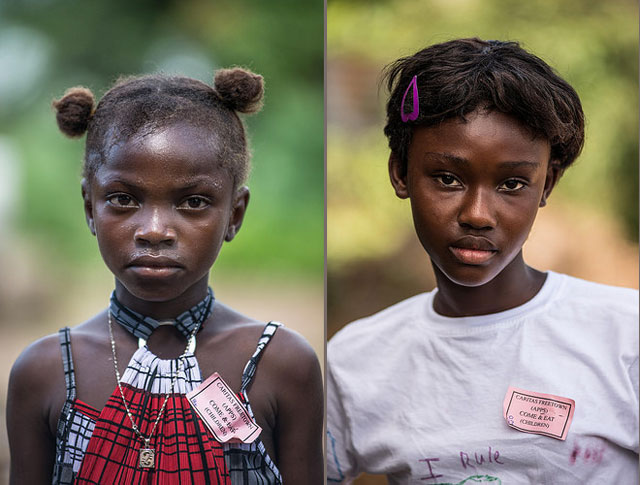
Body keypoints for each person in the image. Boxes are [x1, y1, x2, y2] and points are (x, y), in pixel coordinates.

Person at [327, 38, 638, 484]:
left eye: (512, 184)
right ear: (400, 172)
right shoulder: (356, 360)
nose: (477, 214)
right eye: (448, 178)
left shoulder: (625, 336)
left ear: (546, 184)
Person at [7, 67, 323, 484]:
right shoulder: (44, 372)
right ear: (89, 207)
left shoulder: (281, 364)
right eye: (123, 199)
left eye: (193, 202)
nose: (154, 230)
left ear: (235, 214)